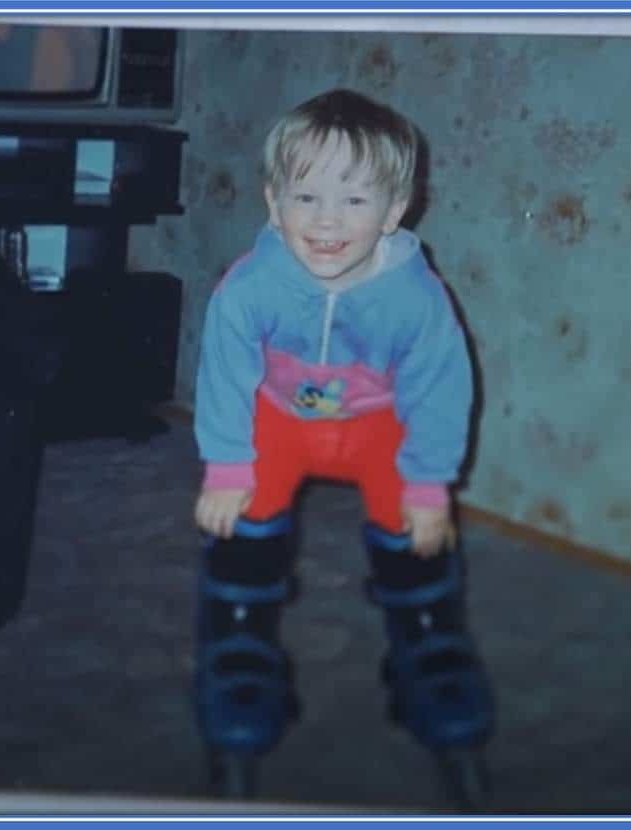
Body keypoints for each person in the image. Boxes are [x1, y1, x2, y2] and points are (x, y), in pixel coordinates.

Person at [191, 88, 494, 798]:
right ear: (274, 203)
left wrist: (428, 485)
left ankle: (428, 632)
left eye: (355, 201)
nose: (326, 221)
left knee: (413, 526)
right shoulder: (249, 287)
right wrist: (227, 466)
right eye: (306, 197)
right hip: (279, 420)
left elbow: (441, 391)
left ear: (394, 212)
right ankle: (239, 632)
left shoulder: (416, 299)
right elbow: (225, 375)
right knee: (243, 513)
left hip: (375, 422)